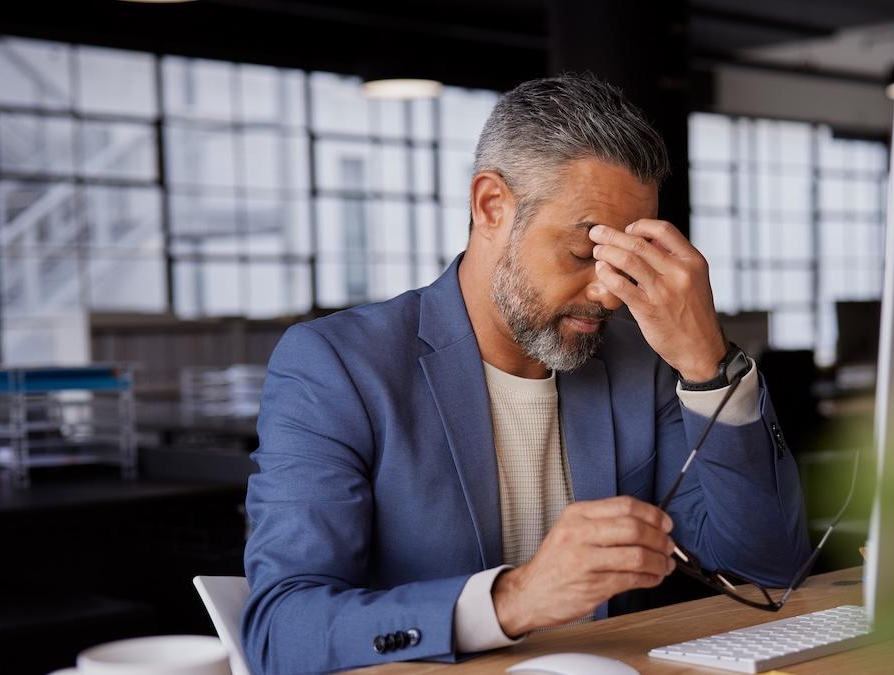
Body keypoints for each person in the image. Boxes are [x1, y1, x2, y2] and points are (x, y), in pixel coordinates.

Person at [241, 74, 809, 674]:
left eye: (624, 262)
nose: (608, 294)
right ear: (492, 206)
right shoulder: (337, 366)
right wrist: (514, 599)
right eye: (583, 254)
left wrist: (708, 365)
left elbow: (768, 572)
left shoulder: (641, 363)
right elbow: (281, 630)